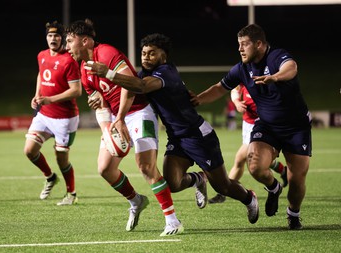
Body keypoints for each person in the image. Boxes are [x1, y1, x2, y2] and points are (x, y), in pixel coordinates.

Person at [84, 33, 259, 227]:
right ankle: (198, 178)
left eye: (152, 54)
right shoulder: (144, 73)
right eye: (143, 53)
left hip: (198, 135)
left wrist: (108, 73)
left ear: (163, 56)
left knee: (223, 185)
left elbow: (139, 86)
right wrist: (102, 97)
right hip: (177, 137)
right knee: (173, 183)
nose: (146, 57)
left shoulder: (165, 72)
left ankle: (249, 198)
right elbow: (128, 87)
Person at [65, 19, 196, 236]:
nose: (67, 47)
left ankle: (172, 220)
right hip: (117, 117)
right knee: (105, 168)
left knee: (145, 166)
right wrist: (108, 128)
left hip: (139, 112)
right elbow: (101, 105)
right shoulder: (84, 70)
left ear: (85, 41)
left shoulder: (105, 53)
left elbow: (130, 85)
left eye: (70, 41)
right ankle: (136, 200)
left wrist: (121, 119)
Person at [191, 24, 311, 230]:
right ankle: (273, 188)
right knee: (254, 166)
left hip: (295, 127)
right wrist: (198, 100)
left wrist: (275, 77)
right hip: (267, 125)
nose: (240, 49)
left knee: (297, 178)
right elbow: (220, 88)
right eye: (238, 45)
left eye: (244, 44)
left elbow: (291, 68)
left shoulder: (276, 56)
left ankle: (293, 214)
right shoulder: (242, 68)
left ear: (259, 44)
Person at [23, 21, 82, 206]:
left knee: (61, 159)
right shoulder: (41, 55)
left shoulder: (69, 60)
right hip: (44, 115)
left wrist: (51, 99)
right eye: (50, 35)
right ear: (46, 37)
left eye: (56, 36)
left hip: (65, 118)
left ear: (62, 38)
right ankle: (50, 177)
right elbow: (41, 74)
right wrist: (37, 95)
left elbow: (76, 90)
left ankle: (71, 193)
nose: (53, 39)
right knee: (29, 150)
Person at [208, 84, 288, 204]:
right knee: (261, 159)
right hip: (247, 124)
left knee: (240, 158)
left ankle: (223, 192)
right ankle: (283, 171)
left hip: (262, 125)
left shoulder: (267, 77)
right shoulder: (244, 74)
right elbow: (235, 89)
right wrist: (237, 102)